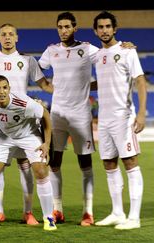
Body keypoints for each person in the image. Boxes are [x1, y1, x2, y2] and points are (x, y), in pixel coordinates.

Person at [0, 23, 53, 225]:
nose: (7, 37)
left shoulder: (27, 60)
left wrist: (72, 91)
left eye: (11, 34)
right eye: (3, 34)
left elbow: (45, 85)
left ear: (17, 38)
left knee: (26, 167)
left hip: (24, 119)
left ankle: (28, 212)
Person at [38, 12, 101, 226]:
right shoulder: (51, 51)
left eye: (67, 26)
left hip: (81, 114)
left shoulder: (87, 49)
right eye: (60, 27)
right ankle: (58, 210)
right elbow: (37, 70)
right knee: (54, 163)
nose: (63, 30)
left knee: (85, 162)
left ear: (75, 28)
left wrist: (125, 47)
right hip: (57, 114)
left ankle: (88, 211)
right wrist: (46, 87)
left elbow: (108, 59)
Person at [0, 75, 56, 231]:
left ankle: (48, 217)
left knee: (41, 170)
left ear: (9, 89)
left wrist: (46, 143)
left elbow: (45, 114)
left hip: (29, 134)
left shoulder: (23, 103)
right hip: (5, 136)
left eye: (5, 87)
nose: (2, 91)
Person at [92, 11, 146, 230]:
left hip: (123, 118)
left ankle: (134, 217)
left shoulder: (127, 52)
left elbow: (140, 82)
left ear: (115, 29)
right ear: (95, 31)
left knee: (130, 163)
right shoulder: (96, 55)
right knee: (109, 164)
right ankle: (117, 212)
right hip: (104, 119)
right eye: (100, 27)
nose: (104, 30)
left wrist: (141, 114)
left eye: (108, 26)